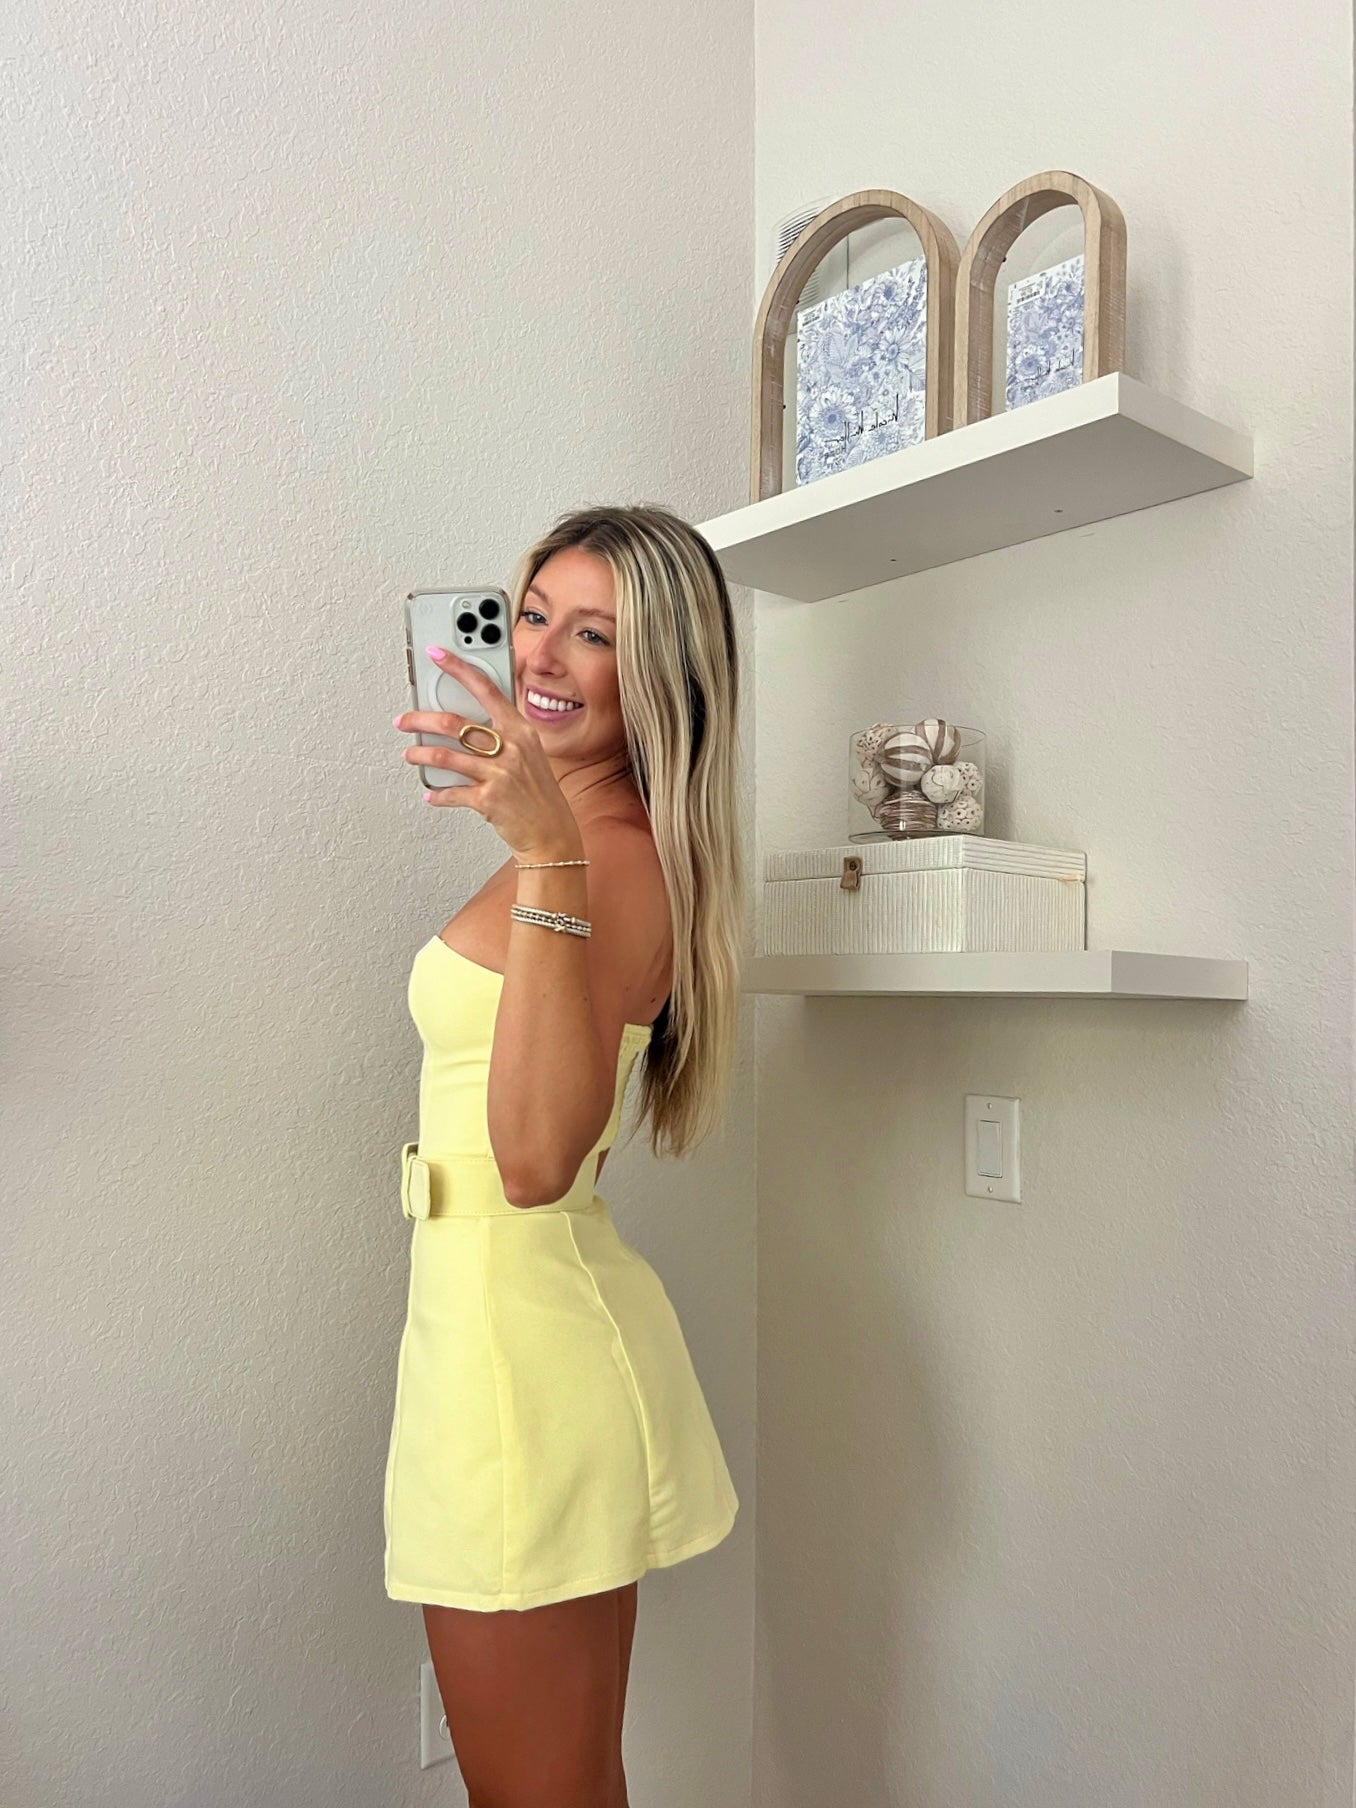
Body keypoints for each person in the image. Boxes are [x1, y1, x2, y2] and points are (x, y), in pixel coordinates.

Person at [384, 504, 744, 1807]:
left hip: (515, 1370)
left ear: (660, 678)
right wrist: (539, 838)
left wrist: (544, 847)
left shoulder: (605, 863)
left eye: (593, 634)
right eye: (531, 612)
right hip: (510, 1342)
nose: (539, 652)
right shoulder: (597, 852)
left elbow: (535, 1161)